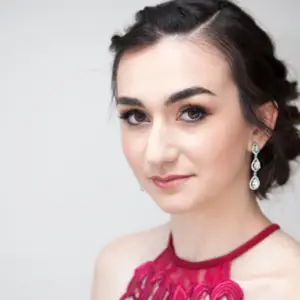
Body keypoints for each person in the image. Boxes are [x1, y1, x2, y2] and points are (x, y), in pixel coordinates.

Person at [92, 0, 300, 299]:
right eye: (136, 116)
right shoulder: (116, 267)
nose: (156, 153)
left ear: (260, 125)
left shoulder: (290, 286)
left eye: (192, 112)